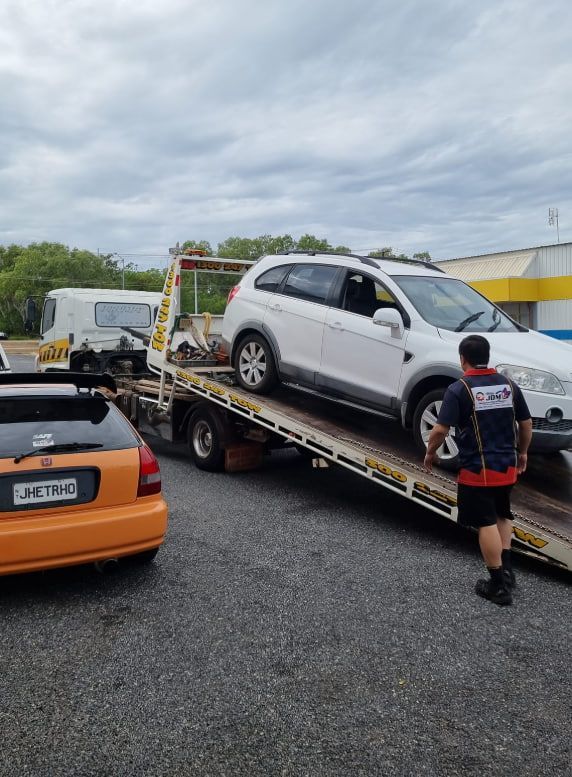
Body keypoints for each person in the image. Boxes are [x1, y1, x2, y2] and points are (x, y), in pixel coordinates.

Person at [424, 334, 532, 606]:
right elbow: (526, 422)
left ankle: (497, 587)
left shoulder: (460, 389)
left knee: (485, 523)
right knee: (502, 514)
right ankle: (507, 573)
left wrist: (430, 452)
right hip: (506, 467)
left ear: (463, 359)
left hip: (478, 470)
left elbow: (439, 429)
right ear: (487, 356)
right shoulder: (508, 385)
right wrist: (522, 452)